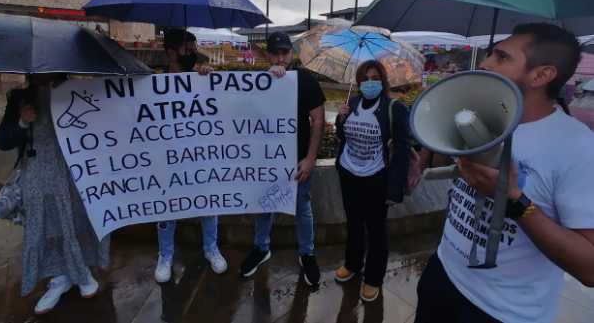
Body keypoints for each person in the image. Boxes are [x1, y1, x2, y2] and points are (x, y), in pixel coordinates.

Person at [414, 24, 594, 323]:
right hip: (443, 274)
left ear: (541, 75)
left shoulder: (578, 149)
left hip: (500, 311)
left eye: (501, 57)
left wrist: (513, 200)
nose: (485, 64)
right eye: (490, 54)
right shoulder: (482, 112)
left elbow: (589, 269)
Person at [0, 74, 110, 315]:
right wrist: (23, 123)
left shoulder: (75, 91)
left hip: (73, 169)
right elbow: (2, 141)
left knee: (77, 219)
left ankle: (80, 270)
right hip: (38, 172)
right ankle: (59, 276)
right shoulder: (20, 98)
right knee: (47, 225)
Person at [239, 32, 326, 286]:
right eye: (275, 53)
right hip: (265, 161)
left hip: (297, 161)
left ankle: (307, 253)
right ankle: (261, 248)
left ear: (291, 54)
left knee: (303, 209)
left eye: (284, 53)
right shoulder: (255, 81)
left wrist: (310, 159)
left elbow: (318, 121)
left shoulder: (305, 80)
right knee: (264, 206)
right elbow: (234, 110)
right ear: (268, 55)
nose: (280, 58)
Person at [334, 60, 411, 302]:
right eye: (365, 78)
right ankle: (353, 263)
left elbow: (402, 150)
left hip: (376, 178)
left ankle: (373, 278)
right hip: (349, 174)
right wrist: (340, 119)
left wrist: (394, 188)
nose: (370, 83)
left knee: (376, 230)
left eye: (375, 78)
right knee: (354, 222)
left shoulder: (394, 108)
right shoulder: (353, 102)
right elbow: (342, 135)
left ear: (383, 81)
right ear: (359, 82)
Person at [154, 29, 227, 283]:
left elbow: (222, 104)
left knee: (209, 203)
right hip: (169, 156)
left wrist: (208, 79)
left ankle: (211, 248)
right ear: (170, 52)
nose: (193, 53)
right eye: (187, 48)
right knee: (166, 207)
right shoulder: (154, 83)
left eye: (193, 47)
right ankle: (165, 255)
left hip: (200, 154)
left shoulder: (199, 76)